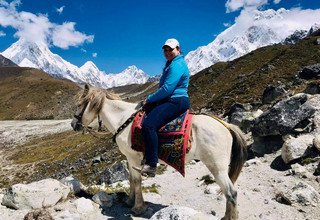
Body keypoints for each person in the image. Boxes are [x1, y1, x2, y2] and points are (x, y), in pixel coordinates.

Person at [135, 38, 190, 177]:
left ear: (178, 49)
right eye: (165, 50)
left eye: (170, 49)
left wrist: (149, 98)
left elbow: (167, 89)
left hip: (176, 100)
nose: (167, 52)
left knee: (148, 125)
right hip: (171, 99)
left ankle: (152, 164)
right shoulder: (171, 64)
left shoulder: (177, 65)